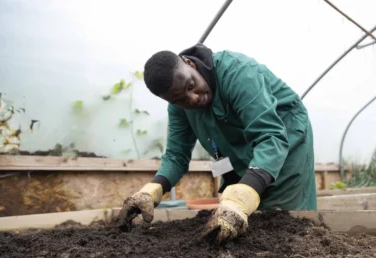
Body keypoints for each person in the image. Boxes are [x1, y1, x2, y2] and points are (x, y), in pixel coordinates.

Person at [116, 43, 317, 244]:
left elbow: (269, 135)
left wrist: (244, 193)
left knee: (279, 216)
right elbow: (176, 155)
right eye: (180, 100)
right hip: (240, 150)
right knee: (243, 216)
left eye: (191, 86)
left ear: (189, 64)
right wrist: (152, 191)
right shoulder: (179, 106)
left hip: (285, 139)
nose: (192, 100)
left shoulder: (238, 73)